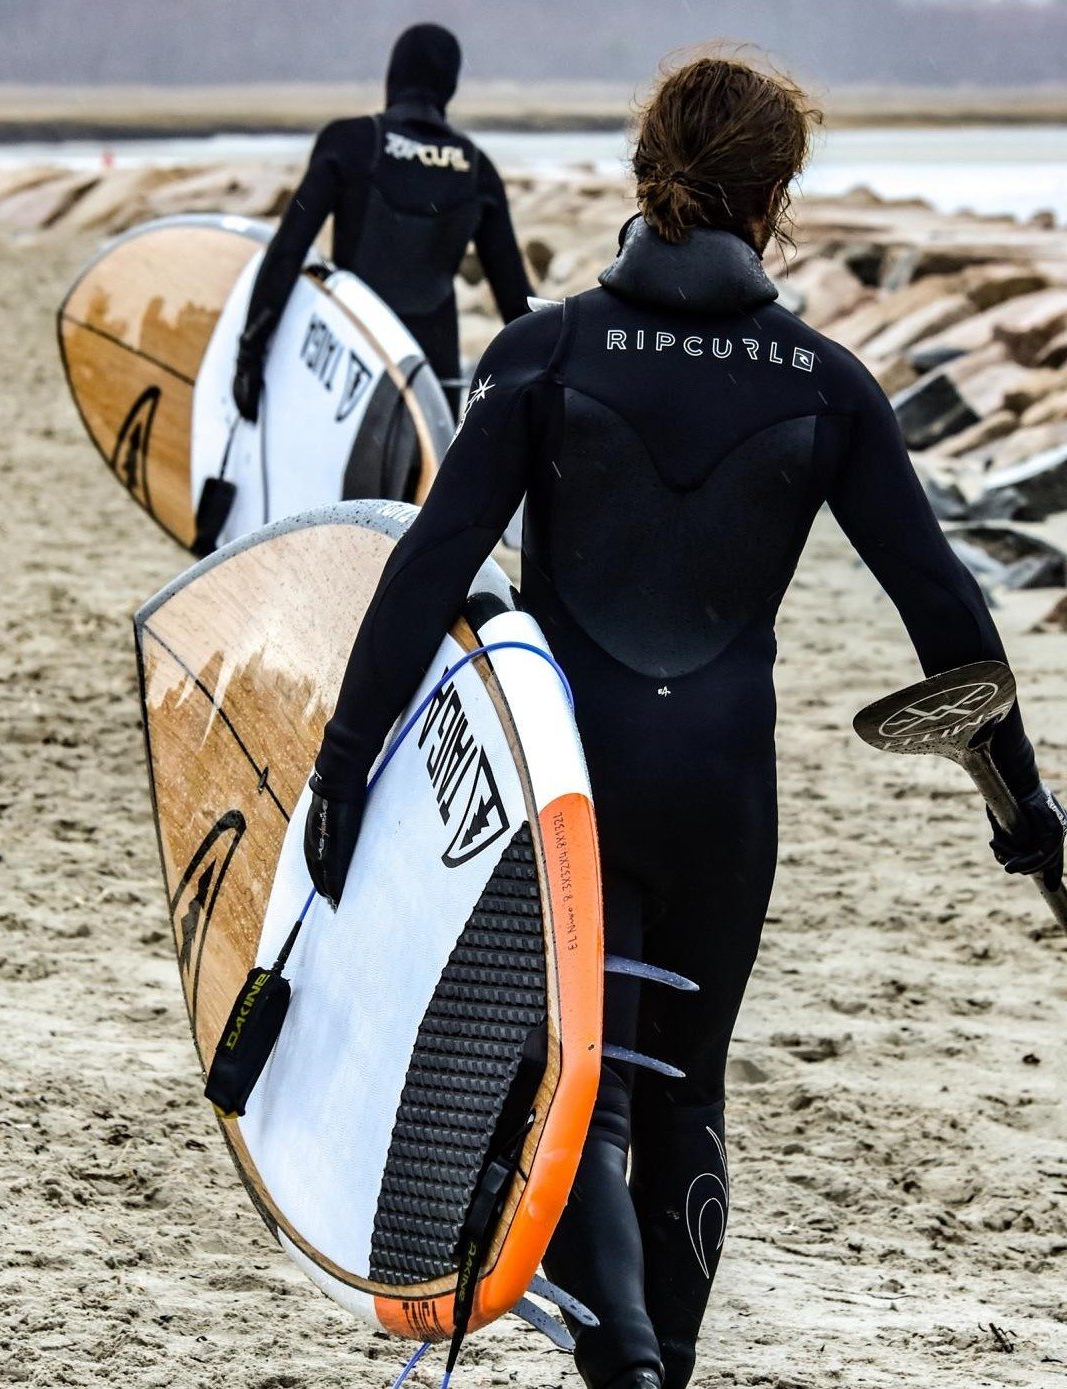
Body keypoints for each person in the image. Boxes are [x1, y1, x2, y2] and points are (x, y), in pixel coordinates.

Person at [300, 55, 1064, 1389]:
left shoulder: (544, 351)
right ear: (776, 196)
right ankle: (661, 1373)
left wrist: (342, 765)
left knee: (575, 1085)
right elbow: (946, 613)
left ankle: (622, 1365)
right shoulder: (827, 384)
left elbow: (428, 567)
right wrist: (1027, 814)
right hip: (724, 794)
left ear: (647, 168)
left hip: (573, 785)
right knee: (685, 1093)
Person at [232, 22, 532, 422]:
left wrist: (250, 353)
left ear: (395, 74)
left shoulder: (350, 143)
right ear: (450, 86)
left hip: (350, 369)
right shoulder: (476, 169)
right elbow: (517, 303)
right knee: (421, 486)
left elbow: (289, 249)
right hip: (434, 384)